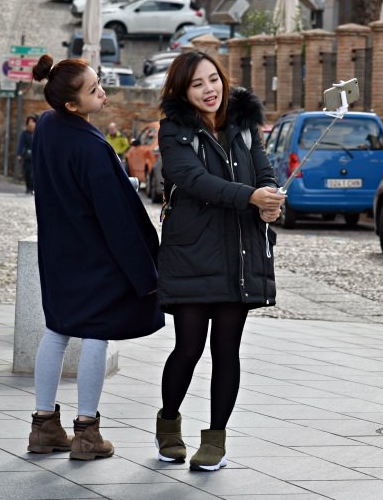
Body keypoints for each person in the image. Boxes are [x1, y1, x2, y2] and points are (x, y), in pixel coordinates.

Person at [27, 54, 164, 461]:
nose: (102, 91)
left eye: (98, 81)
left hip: (57, 251)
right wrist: (147, 273)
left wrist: (123, 180)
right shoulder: (90, 146)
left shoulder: (49, 126)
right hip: (94, 256)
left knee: (56, 331)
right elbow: (118, 219)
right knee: (96, 335)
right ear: (72, 105)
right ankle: (87, 432)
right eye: (92, 89)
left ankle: (42, 427)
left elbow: (70, 185)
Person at [154, 51, 285, 471]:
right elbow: (192, 181)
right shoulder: (174, 130)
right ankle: (169, 423)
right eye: (197, 84)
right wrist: (248, 196)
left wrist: (269, 201)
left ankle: (214, 441)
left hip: (239, 253)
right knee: (188, 347)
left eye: (214, 79)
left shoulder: (245, 125)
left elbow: (264, 173)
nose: (210, 89)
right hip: (192, 253)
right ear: (183, 91)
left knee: (227, 349)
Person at [17, 114, 37, 194]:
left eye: (33, 122)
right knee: (27, 173)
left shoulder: (37, 133)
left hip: (35, 157)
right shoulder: (25, 134)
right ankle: (28, 188)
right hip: (27, 156)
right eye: (30, 122)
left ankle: (33, 188)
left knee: (34, 174)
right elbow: (21, 144)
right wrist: (20, 154)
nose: (31, 123)